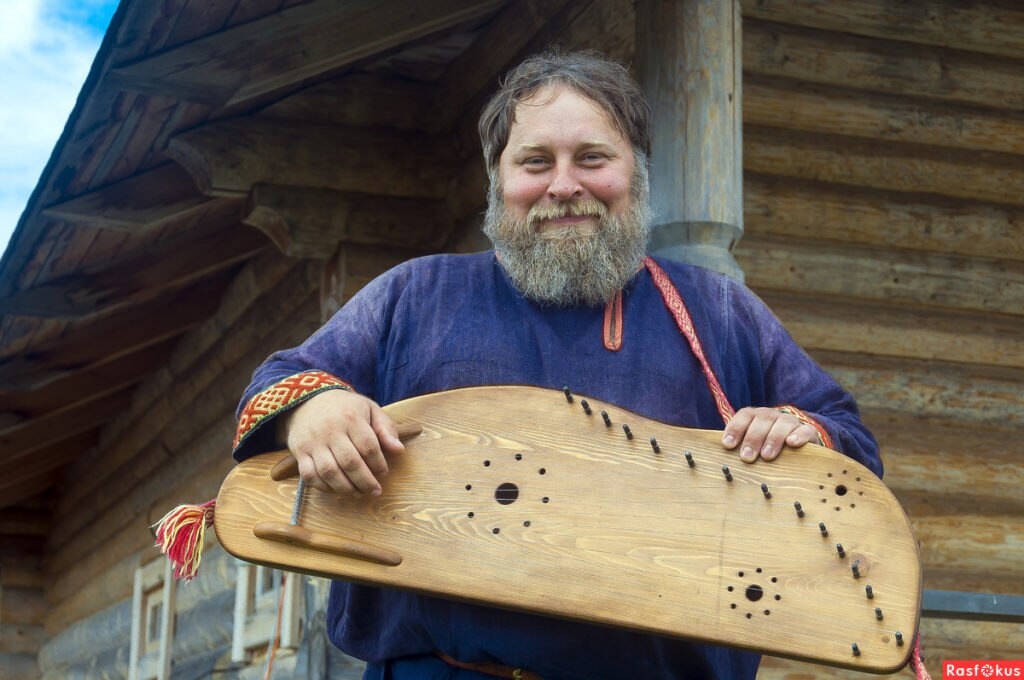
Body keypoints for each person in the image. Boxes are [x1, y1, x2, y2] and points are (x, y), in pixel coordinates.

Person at [232, 50, 881, 680]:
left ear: (637, 171)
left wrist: (799, 432)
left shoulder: (719, 311)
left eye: (592, 158)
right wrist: (313, 409)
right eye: (535, 162)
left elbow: (848, 442)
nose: (564, 186)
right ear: (499, 182)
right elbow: (276, 385)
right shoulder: (416, 296)